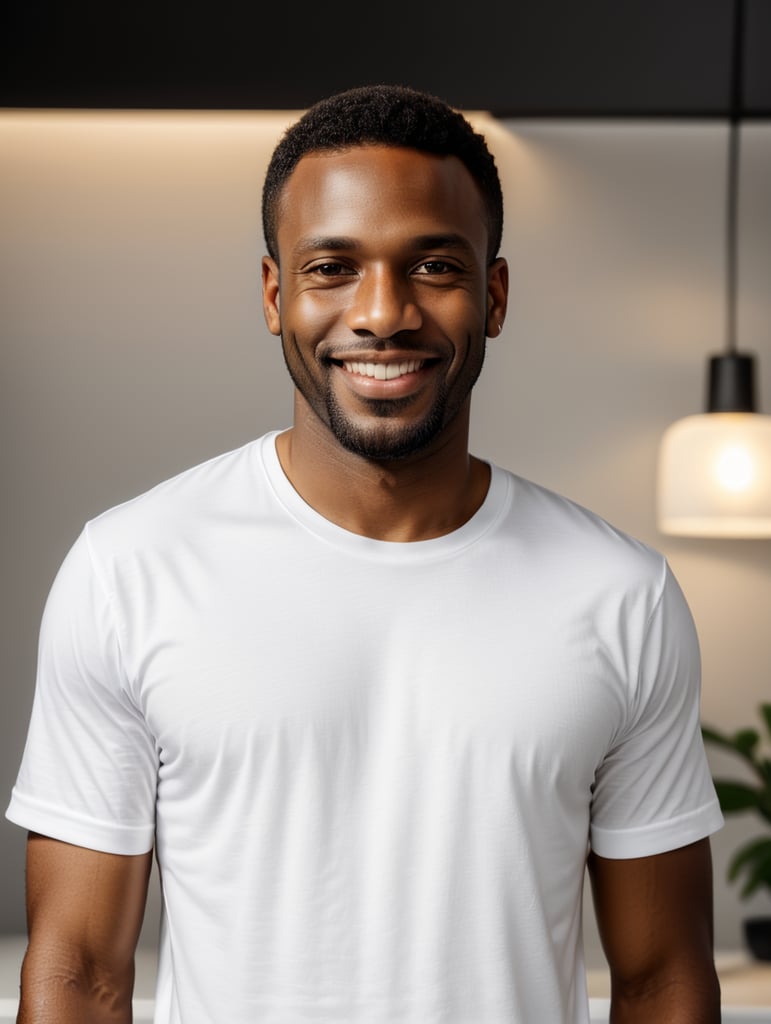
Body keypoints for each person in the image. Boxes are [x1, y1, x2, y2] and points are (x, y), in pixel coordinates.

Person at [7, 83, 723, 1023]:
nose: (383, 313)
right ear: (275, 294)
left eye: (432, 265)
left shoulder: (619, 595)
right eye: (332, 267)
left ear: (493, 295)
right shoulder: (128, 571)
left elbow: (663, 979)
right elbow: (78, 974)